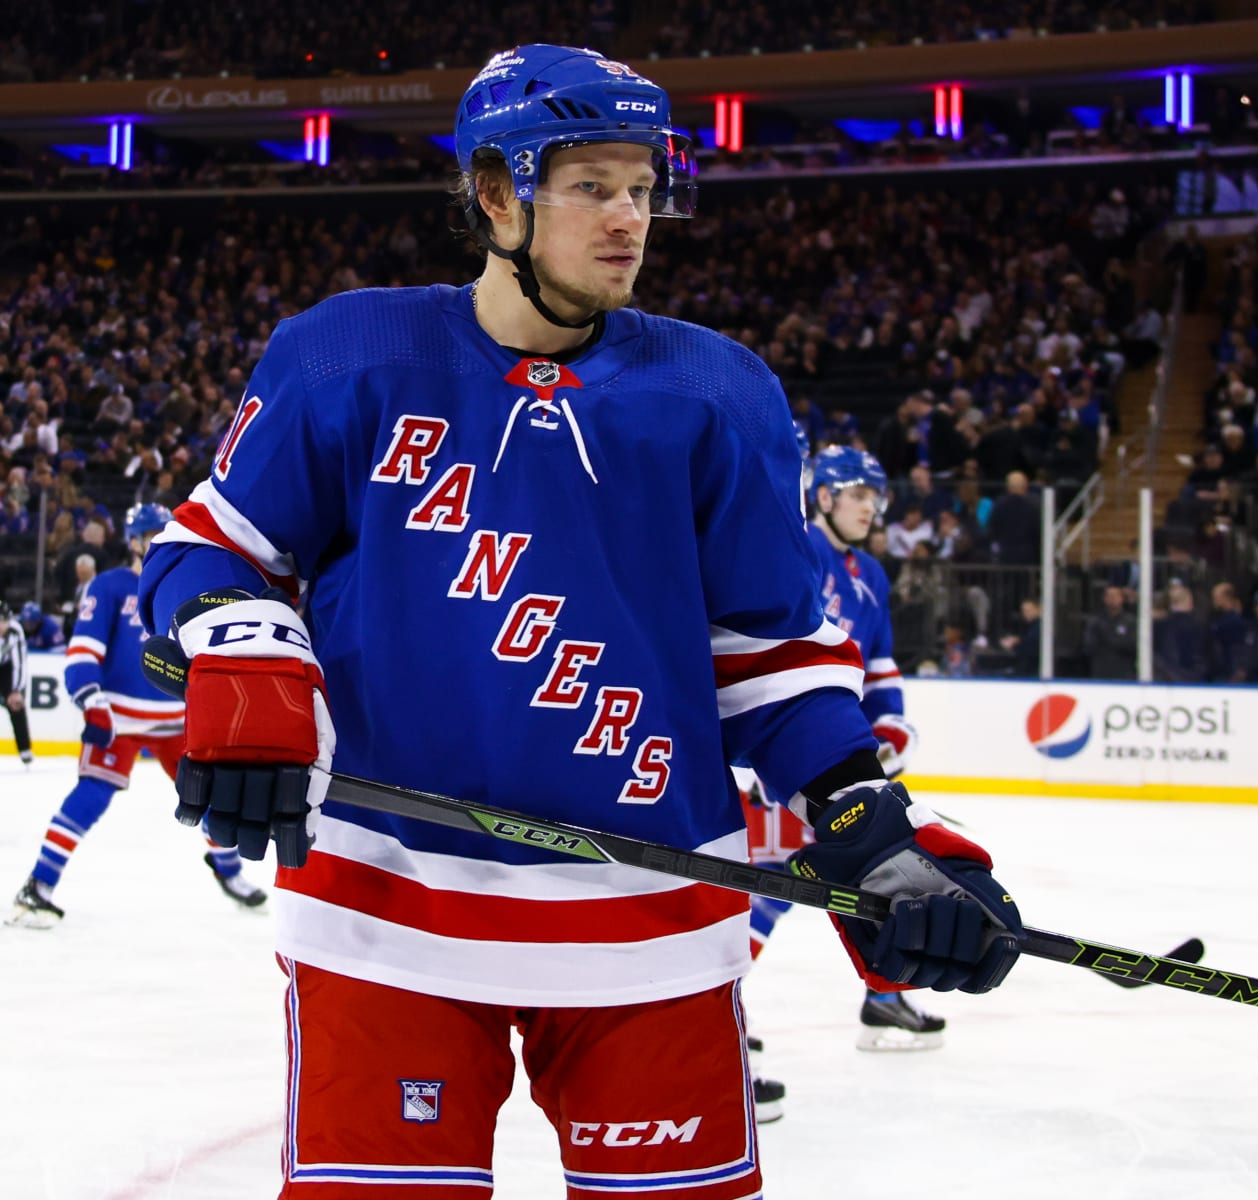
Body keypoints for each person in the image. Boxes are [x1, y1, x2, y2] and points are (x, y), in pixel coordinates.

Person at [136, 45, 1023, 1196]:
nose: (629, 220)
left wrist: (864, 821)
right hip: (381, 910)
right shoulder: (348, 355)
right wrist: (250, 660)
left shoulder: (721, 393)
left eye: (644, 190)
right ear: (497, 195)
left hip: (650, 925)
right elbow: (212, 550)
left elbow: (773, 653)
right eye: (593, 185)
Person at [743, 444, 947, 1056]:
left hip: (840, 755)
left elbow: (878, 666)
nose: (871, 508)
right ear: (825, 495)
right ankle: (711, 1004)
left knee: (876, 874)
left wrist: (892, 727)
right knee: (768, 885)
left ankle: (884, 997)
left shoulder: (871, 574)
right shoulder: (796, 550)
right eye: (859, 494)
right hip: (791, 754)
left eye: (875, 497)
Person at [9, 505, 267, 927]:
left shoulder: (184, 582)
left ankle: (230, 872)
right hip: (118, 718)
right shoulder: (109, 586)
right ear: (132, 539)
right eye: (149, 533)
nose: (157, 539)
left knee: (207, 797)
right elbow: (84, 649)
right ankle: (38, 884)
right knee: (91, 796)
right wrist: (91, 700)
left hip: (175, 715)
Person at [1, 601, 29, 765]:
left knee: (16, 705)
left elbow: (19, 663)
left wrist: (17, 690)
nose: (1, 627)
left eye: (3, 622)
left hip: (5, 668)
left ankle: (24, 749)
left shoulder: (14, 630)